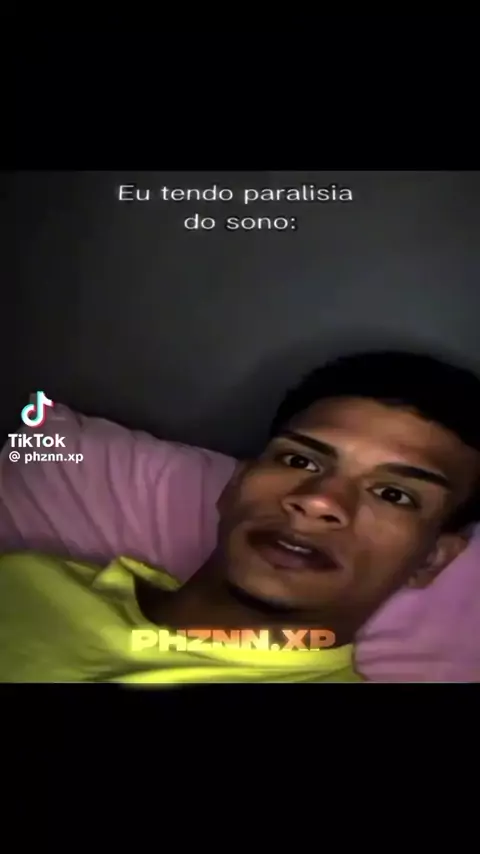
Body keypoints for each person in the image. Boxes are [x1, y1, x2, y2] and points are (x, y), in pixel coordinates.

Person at [1, 350, 480, 683]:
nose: (319, 502)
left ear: (432, 558)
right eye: (299, 460)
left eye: (393, 494)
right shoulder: (27, 581)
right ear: (235, 485)